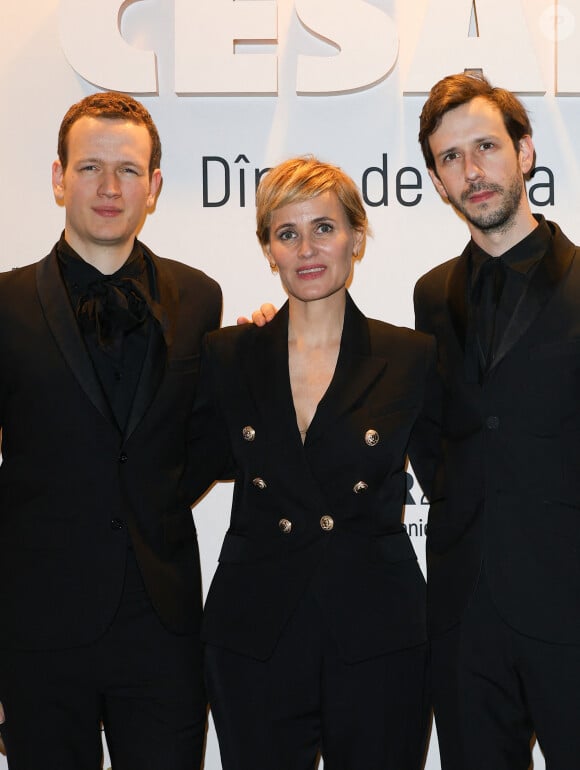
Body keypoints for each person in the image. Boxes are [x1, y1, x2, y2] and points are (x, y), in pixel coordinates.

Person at [187, 156, 435, 770]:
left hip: (378, 630)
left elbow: (461, 481)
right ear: (268, 249)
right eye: (287, 232)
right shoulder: (228, 354)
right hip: (256, 631)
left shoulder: (410, 356)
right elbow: (178, 472)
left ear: (357, 236)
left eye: (324, 228)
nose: (307, 249)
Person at [0, 92, 222, 769]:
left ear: (153, 187)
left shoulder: (201, 297)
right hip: (36, 632)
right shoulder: (3, 305)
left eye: (127, 170)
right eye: (90, 167)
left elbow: (205, 442)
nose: (108, 187)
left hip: (162, 628)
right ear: (58, 176)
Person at [410, 72, 580, 769]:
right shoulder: (428, 295)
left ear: (526, 151)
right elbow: (431, 435)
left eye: (485, 146)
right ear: (437, 180)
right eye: (451, 158)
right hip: (464, 616)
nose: (471, 171)